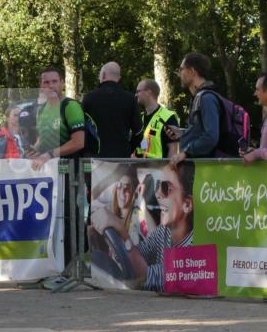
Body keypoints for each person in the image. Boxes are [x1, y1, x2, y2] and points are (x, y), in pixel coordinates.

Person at [91, 162, 194, 292]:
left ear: (187, 205)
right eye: (158, 186)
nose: (158, 194)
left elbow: (146, 277)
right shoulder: (164, 231)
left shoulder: (194, 248)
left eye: (166, 188)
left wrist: (122, 232)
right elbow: (139, 254)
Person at [169, 53, 221, 166]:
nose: (179, 73)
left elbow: (211, 136)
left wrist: (186, 153)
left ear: (192, 72)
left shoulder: (207, 98)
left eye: (181, 69)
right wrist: (183, 133)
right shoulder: (199, 97)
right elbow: (201, 132)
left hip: (207, 170)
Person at [81, 61, 141, 158]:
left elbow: (80, 128)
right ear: (119, 78)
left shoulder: (89, 98)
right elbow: (138, 132)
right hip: (121, 157)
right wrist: (129, 149)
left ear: (103, 75)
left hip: (95, 157)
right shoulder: (130, 99)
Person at [30, 67, 86, 170]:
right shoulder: (41, 109)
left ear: (62, 83)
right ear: (41, 86)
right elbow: (42, 137)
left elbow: (79, 142)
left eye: (54, 81)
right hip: (48, 170)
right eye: (46, 82)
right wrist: (34, 150)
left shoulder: (70, 106)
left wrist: (50, 154)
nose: (51, 86)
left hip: (69, 171)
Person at [133, 79, 180, 159]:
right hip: (141, 165)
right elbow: (146, 143)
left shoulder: (167, 116)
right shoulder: (141, 118)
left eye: (138, 91)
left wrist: (169, 166)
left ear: (149, 92)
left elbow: (173, 147)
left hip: (159, 166)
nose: (136, 94)